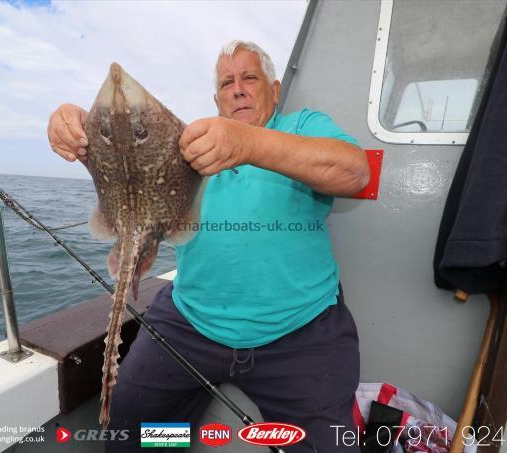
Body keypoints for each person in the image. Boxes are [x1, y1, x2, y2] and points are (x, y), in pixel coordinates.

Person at [47, 40, 369, 452]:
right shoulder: (191, 143)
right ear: (216, 98)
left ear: (275, 88)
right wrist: (74, 122)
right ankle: (178, 441)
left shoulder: (304, 128)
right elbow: (127, 148)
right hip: (190, 323)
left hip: (299, 331)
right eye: (226, 82)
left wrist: (248, 144)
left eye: (249, 78)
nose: (237, 89)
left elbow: (353, 172)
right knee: (133, 435)